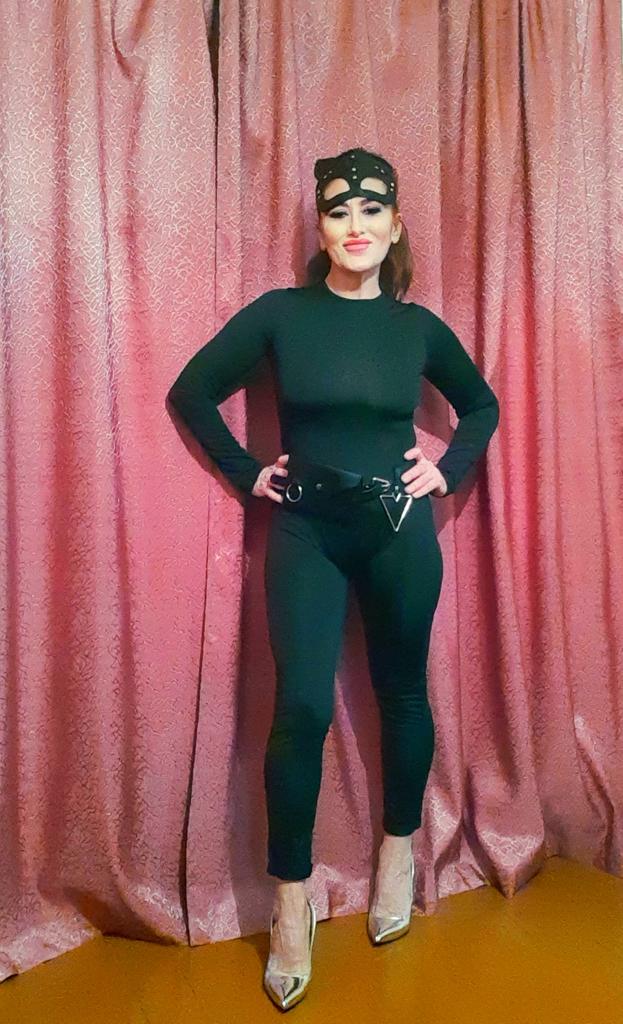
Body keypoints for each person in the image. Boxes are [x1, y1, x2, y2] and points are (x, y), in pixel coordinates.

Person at [167, 146, 500, 1011]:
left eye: (370, 210)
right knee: (302, 709)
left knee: (402, 694)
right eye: (338, 211)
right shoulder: (281, 315)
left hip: (397, 532)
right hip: (306, 531)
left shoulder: (417, 327)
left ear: (394, 225)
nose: (355, 225)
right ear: (321, 228)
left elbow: (481, 405)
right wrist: (247, 474)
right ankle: (291, 902)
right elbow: (191, 391)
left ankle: (397, 852)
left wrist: (447, 470)